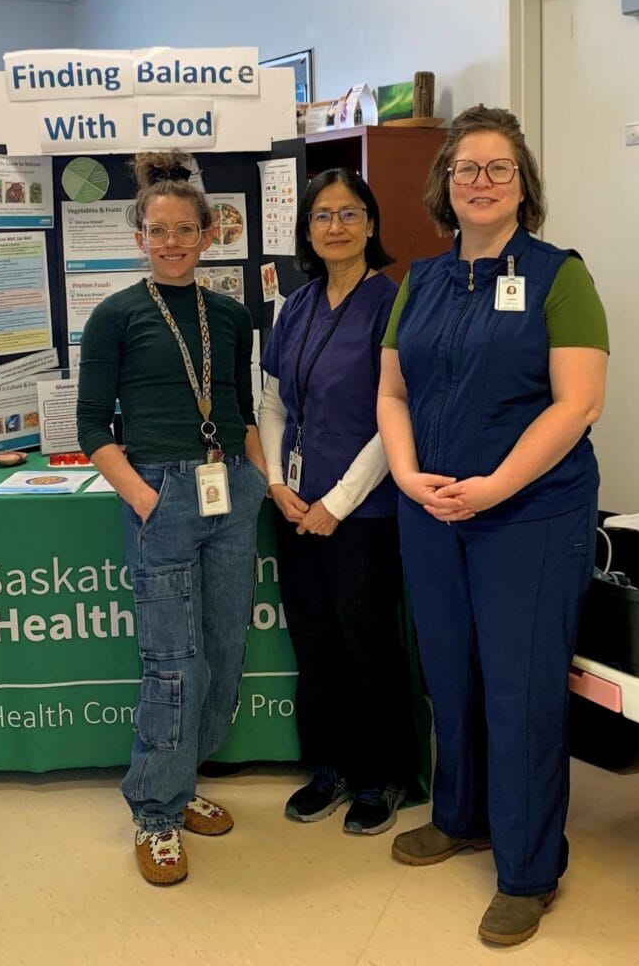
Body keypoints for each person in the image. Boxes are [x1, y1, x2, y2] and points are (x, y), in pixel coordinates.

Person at [377, 105, 609, 944]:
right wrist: (407, 476)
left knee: (520, 688)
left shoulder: (559, 275)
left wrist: (493, 487)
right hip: (431, 510)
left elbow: (578, 402)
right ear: (444, 186)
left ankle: (528, 869)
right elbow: (393, 393)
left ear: (523, 186)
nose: (480, 181)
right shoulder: (424, 282)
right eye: (466, 168)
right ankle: (461, 814)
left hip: (531, 515)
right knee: (451, 673)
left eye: (498, 168)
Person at [76, 150, 268, 886]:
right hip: (159, 493)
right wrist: (150, 500)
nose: (172, 242)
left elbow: (242, 412)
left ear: (209, 233)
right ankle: (155, 813)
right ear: (139, 236)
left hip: (230, 492)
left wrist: (258, 481)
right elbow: (94, 429)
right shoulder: (115, 316)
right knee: (172, 662)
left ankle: (182, 785)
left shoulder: (230, 314)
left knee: (222, 652)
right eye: (158, 230)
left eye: (185, 229)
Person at [259, 168, 414, 835]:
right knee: (315, 642)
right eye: (322, 216)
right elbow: (271, 402)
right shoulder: (295, 306)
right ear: (307, 230)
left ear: (372, 225)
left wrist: (339, 503)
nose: (335, 227)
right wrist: (276, 483)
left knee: (367, 643)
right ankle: (329, 766)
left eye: (349, 214)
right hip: (295, 507)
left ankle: (382, 776)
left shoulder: (394, 303)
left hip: (364, 514)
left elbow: (394, 416)